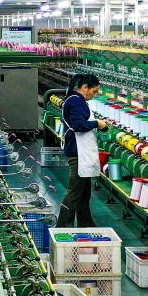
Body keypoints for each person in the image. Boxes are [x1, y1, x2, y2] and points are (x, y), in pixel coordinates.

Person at [56, 72, 107, 228]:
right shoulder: (76, 101)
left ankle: (86, 222)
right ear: (85, 87)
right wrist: (97, 123)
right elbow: (78, 125)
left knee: (84, 192)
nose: (94, 95)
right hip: (78, 152)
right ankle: (63, 225)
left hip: (81, 151)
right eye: (94, 91)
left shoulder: (77, 100)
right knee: (74, 191)